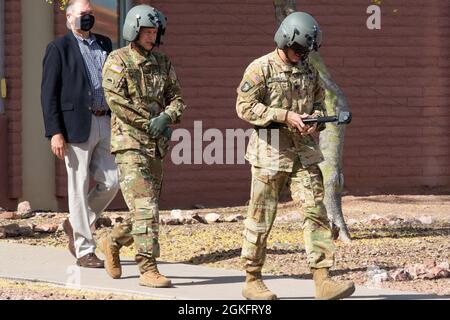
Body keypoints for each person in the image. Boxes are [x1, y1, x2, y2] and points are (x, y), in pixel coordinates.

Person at [236, 12, 355, 300]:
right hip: (270, 154)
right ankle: (252, 279)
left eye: (306, 51)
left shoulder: (310, 70)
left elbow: (317, 104)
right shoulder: (260, 68)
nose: (301, 55)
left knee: (316, 213)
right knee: (261, 217)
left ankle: (323, 279)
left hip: (303, 154)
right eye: (298, 49)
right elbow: (244, 106)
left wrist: (316, 119)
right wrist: (284, 116)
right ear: (284, 39)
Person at [100, 4, 186, 288]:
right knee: (146, 206)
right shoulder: (118, 60)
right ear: (133, 31)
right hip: (129, 143)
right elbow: (117, 101)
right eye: (147, 32)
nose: (152, 36)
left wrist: (167, 117)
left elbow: (177, 98)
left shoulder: (163, 62)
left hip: (156, 145)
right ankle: (148, 269)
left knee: (145, 209)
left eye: (155, 32)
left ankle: (112, 240)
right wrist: (150, 121)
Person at [41, 0, 119, 268]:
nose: (88, 18)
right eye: (83, 14)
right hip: (75, 127)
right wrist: (54, 132)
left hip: (104, 121)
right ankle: (85, 250)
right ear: (69, 17)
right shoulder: (58, 48)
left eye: (91, 14)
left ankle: (74, 223)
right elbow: (48, 94)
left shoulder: (105, 44)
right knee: (77, 186)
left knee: (112, 181)